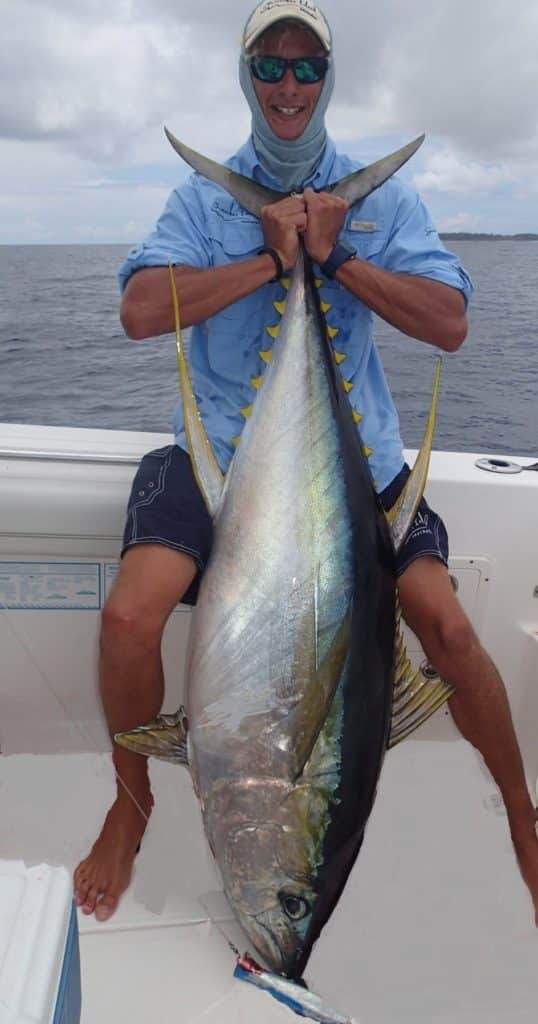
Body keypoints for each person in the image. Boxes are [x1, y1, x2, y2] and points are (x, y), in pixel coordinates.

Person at [74, 0, 538, 925]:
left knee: (446, 632)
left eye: (307, 67)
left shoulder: (384, 200)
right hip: (216, 458)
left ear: (329, 79)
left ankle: (525, 817)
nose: (289, 86)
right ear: (247, 76)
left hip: (351, 459)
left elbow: (448, 324)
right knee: (130, 616)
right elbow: (135, 311)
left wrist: (335, 257)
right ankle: (132, 806)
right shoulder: (203, 201)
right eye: (271, 67)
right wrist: (268, 252)